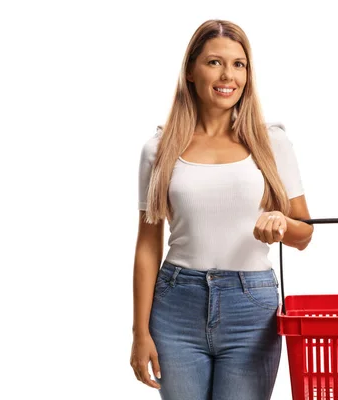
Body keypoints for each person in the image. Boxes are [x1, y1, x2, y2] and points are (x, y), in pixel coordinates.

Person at [130, 19, 314, 400]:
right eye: (214, 62)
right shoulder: (158, 150)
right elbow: (149, 243)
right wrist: (139, 332)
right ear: (191, 72)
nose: (228, 75)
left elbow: (305, 233)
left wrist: (282, 223)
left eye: (238, 64)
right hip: (175, 305)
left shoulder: (271, 142)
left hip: (251, 309)